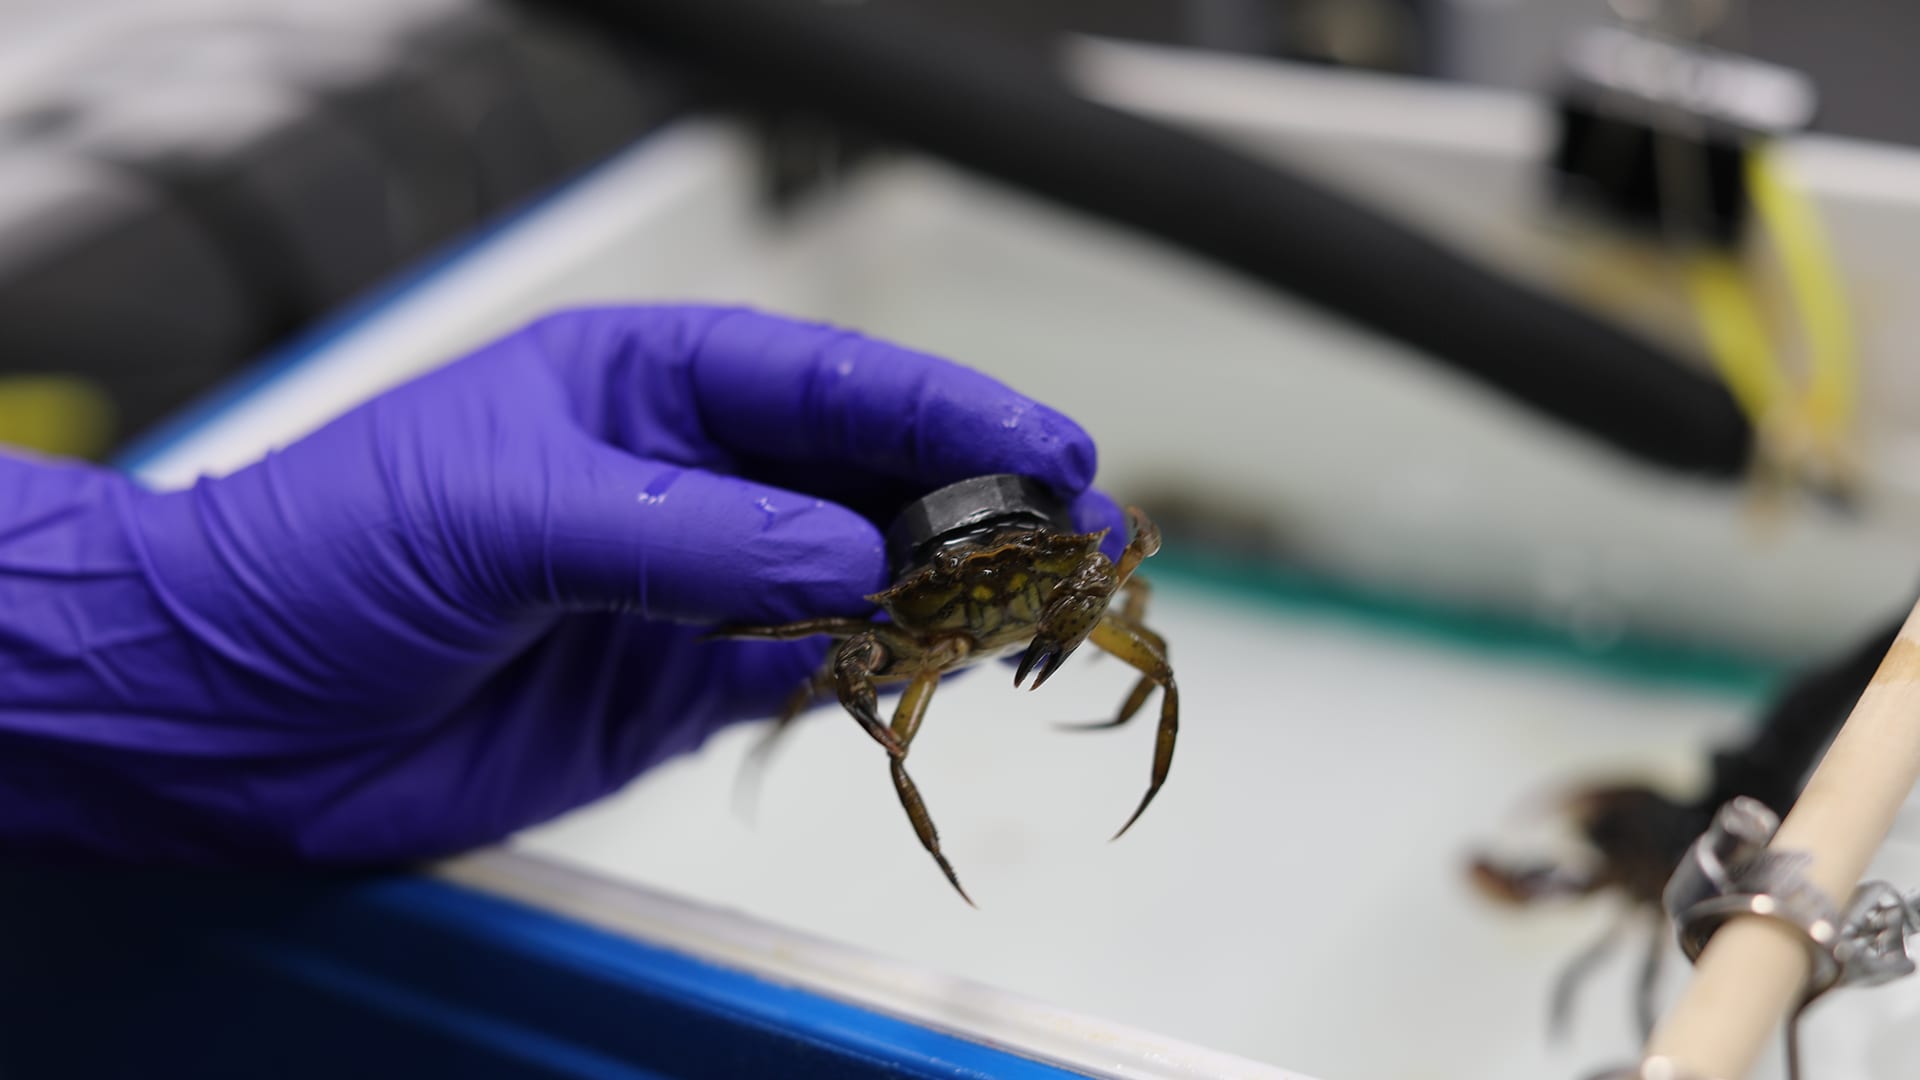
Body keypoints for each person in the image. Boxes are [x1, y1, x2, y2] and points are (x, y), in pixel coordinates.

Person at [0, 305, 1124, 864]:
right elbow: (852, 655)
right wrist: (132, 618)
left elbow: (1130, 552)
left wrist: (109, 633)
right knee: (840, 693)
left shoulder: (1075, 571)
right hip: (904, 617)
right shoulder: (875, 633)